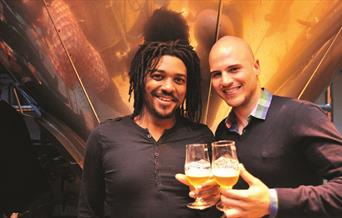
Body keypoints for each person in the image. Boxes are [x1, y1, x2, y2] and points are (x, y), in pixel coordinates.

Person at [78, 8, 221, 218]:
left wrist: (217, 199)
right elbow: (88, 211)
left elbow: (213, 210)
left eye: (179, 80)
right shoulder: (104, 137)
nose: (168, 87)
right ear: (141, 79)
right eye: (158, 76)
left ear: (187, 88)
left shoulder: (202, 138)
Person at [208, 36, 342, 218]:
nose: (225, 81)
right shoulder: (223, 131)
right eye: (216, 74)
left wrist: (273, 202)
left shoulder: (300, 115)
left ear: (256, 66)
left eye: (234, 69)